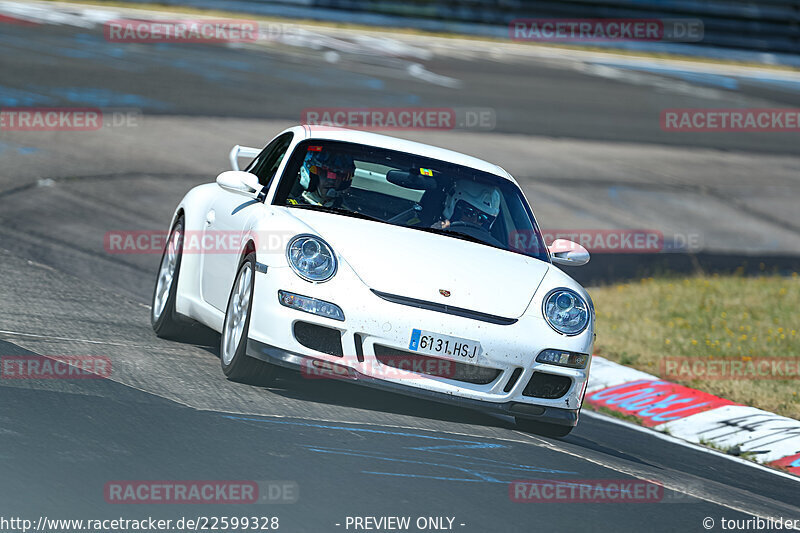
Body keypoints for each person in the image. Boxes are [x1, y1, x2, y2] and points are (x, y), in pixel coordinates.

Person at [431, 180, 501, 231]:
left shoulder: (490, 247)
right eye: (469, 212)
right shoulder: (436, 232)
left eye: (483, 218)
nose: (474, 220)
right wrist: (436, 232)